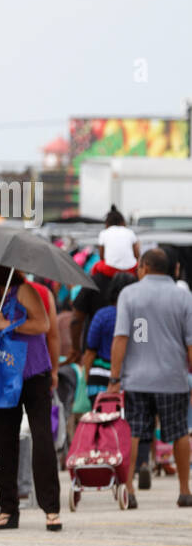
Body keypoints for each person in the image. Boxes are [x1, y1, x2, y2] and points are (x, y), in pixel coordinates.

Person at [0, 256, 60, 530]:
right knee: (3, 440)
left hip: (33, 373)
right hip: (3, 377)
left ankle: (51, 508)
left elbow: (42, 325)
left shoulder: (24, 290)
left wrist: (7, 325)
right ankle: (8, 507)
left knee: (41, 436)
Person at [107, 249, 192, 508]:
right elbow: (190, 343)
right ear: (171, 269)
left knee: (133, 431)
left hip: (137, 379)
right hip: (173, 378)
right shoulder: (183, 297)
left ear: (143, 267)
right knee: (179, 432)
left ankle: (129, 490)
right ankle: (185, 490)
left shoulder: (129, 295)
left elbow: (121, 337)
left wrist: (115, 377)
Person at [79, 272, 137, 402]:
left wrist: (87, 380)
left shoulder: (102, 315)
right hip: (130, 380)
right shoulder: (139, 318)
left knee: (101, 421)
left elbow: (90, 351)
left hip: (99, 380)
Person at [96, 205, 140, 275]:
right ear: (123, 221)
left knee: (96, 267)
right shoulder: (130, 232)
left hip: (110, 270)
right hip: (130, 270)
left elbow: (101, 257)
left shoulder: (104, 233)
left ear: (107, 222)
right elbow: (137, 255)